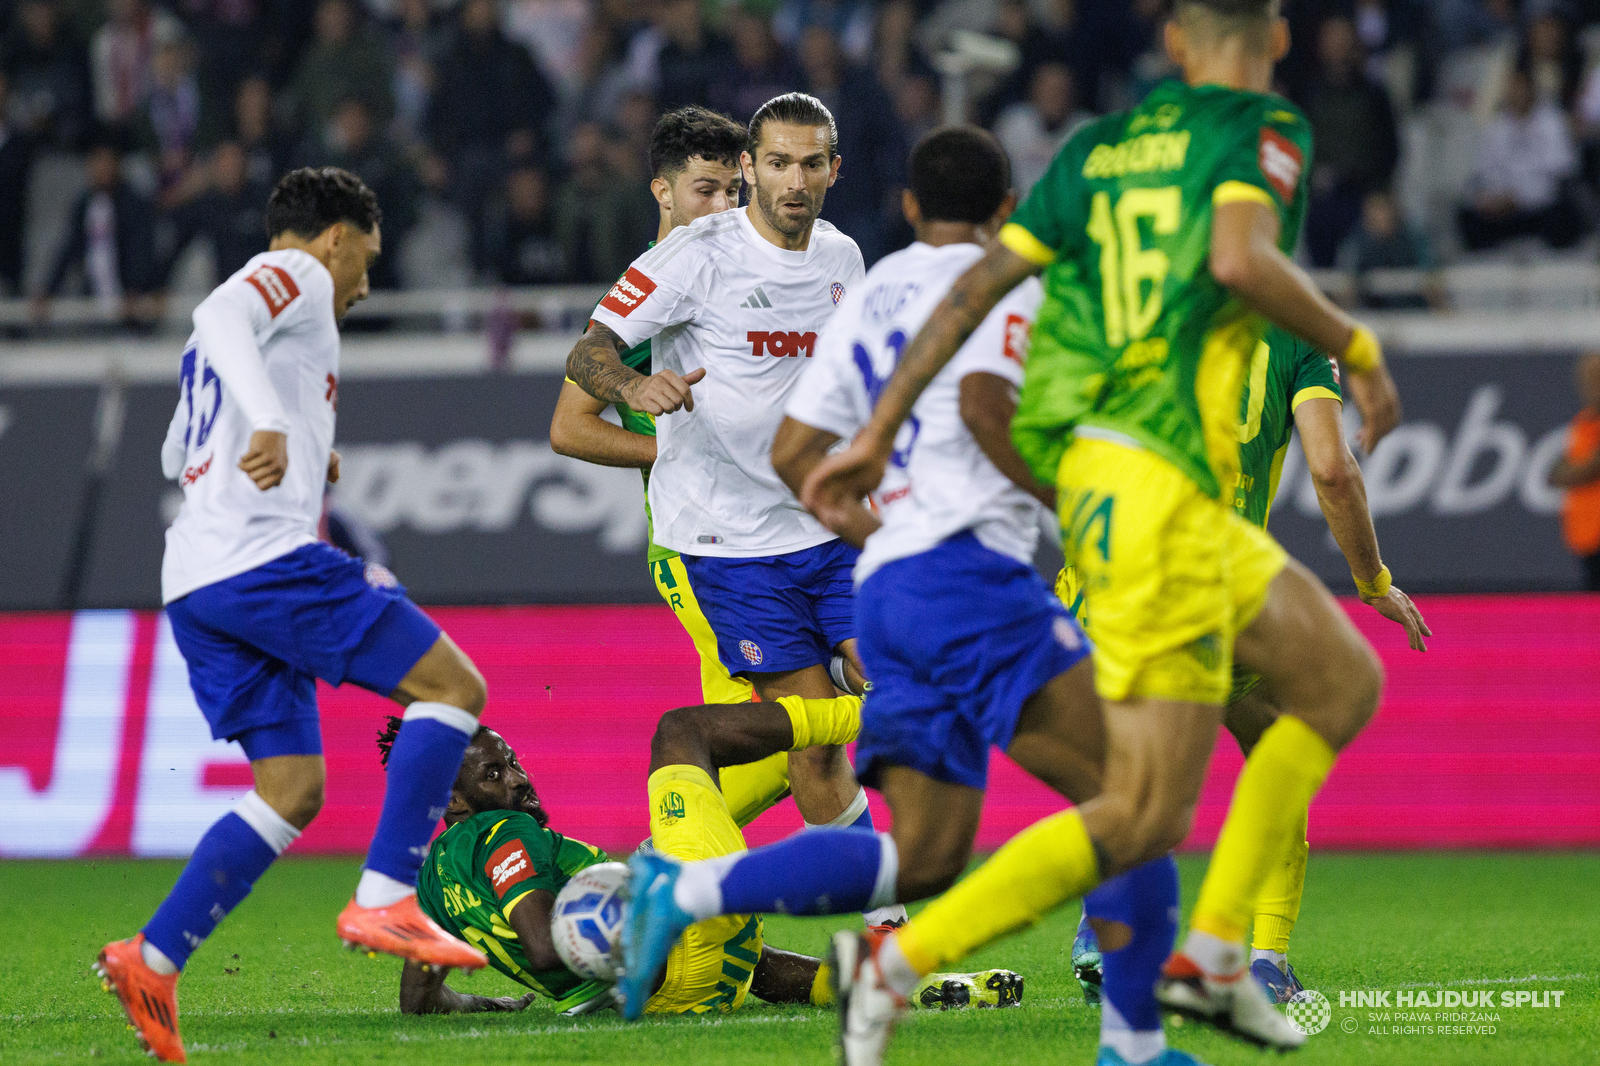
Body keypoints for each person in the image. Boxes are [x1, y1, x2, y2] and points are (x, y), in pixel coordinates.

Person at [802, 1, 1408, 1060]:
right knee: (1338, 686)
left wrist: (879, 428)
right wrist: (1352, 341)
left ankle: (895, 963)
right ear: (1271, 34)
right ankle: (1221, 957)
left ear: (1170, 42)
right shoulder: (1258, 130)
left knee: (1141, 812)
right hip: (1170, 493)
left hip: (1105, 497)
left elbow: (971, 292)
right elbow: (1236, 257)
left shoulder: (1095, 151)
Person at [620, 125, 1195, 1066]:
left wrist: (888, 541)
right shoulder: (1015, 285)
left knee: (923, 856)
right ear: (1007, 210)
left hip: (893, 586)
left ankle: (682, 892)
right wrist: (1075, 507)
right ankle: (1134, 1046)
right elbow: (982, 407)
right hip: (973, 580)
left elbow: (800, 457)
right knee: (1135, 798)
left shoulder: (872, 289)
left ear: (914, 209)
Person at [93, 168, 491, 1065]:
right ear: (337, 237)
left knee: (292, 790)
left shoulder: (257, 338)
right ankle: (388, 895)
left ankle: (150, 960)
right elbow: (217, 320)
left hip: (196, 580)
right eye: (367, 262)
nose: (363, 285)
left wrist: (304, 449)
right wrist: (275, 423)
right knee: (453, 687)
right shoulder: (300, 276)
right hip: (262, 562)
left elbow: (175, 446)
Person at [563, 93, 891, 878]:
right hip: (730, 544)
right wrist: (633, 389)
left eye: (811, 164)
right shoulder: (693, 256)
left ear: (834, 170)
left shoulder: (844, 260)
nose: (794, 181)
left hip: (824, 527)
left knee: (885, 686)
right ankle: (884, 929)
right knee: (809, 739)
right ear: (750, 169)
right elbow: (587, 355)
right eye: (777, 162)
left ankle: (686, 848)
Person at [1072, 324, 1431, 1005]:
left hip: (1112, 576)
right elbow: (1332, 468)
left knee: (1122, 754)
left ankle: (1101, 921)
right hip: (1216, 582)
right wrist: (1372, 580)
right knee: (1283, 738)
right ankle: (1263, 959)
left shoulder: (1131, 303)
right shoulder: (1294, 335)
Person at [391, 698, 1018, 1017]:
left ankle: (896, 985)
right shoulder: (501, 832)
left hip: (685, 996)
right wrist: (629, 907)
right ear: (450, 798)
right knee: (682, 733)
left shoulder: (431, 888)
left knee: (757, 963)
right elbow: (548, 946)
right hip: (672, 957)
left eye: (514, 761)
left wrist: (483, 1004)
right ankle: (877, 709)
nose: (520, 782)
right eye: (495, 773)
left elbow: (417, 998)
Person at [549, 106, 780, 815]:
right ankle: (662, 864)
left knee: (794, 729)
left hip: (769, 537)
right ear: (663, 192)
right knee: (795, 733)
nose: (722, 208)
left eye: (733, 192)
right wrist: (671, 450)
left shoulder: (746, 277)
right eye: (705, 190)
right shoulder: (644, 296)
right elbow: (569, 427)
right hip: (696, 546)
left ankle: (707, 912)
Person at [1549, 352, 1600, 591]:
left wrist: (1572, 471)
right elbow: (1554, 472)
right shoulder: (1583, 422)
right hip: (1585, 532)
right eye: (1586, 379)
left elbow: (1589, 469)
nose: (1590, 386)